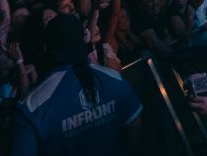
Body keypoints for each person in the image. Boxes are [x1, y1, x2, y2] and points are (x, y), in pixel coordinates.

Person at [10, 14, 142, 156]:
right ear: (83, 41)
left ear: (45, 49)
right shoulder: (114, 79)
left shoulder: (31, 107)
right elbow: (134, 130)